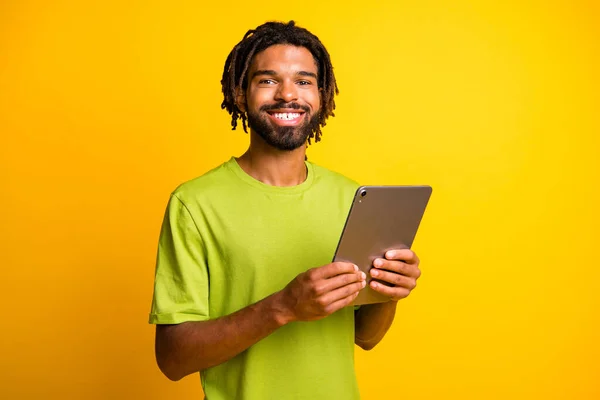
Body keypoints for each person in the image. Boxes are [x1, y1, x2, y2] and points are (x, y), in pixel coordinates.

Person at [149, 20, 422, 400]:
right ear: (240, 94)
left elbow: (365, 337)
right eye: (267, 80)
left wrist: (389, 291)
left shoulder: (351, 198)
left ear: (323, 98)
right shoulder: (194, 204)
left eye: (304, 81)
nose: (287, 94)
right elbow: (173, 358)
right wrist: (283, 306)